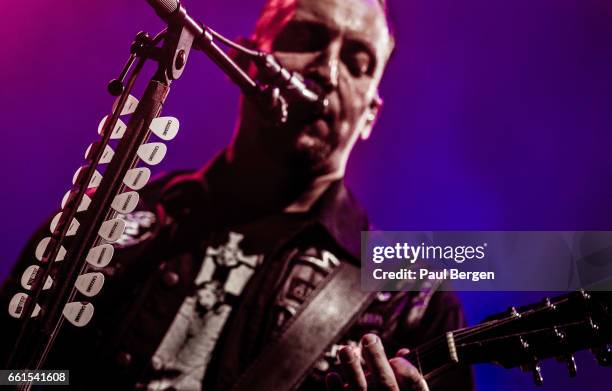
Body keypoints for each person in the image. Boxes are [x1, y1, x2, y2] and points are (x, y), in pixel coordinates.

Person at [0, 0, 473, 390]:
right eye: (307, 39)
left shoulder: (412, 296)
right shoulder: (114, 220)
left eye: (358, 63)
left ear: (371, 113)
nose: (328, 71)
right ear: (248, 59)